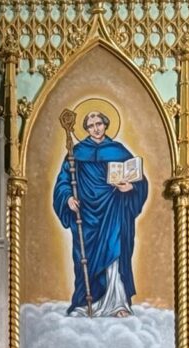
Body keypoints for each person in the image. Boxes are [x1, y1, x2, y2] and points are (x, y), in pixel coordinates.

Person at [53, 110, 148, 317]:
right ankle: (84, 303)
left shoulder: (118, 150)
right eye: (91, 125)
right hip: (86, 215)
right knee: (84, 259)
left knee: (115, 253)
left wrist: (130, 187)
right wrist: (68, 197)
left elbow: (140, 180)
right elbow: (63, 182)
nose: (95, 128)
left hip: (114, 209)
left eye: (99, 124)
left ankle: (117, 304)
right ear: (86, 129)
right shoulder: (76, 152)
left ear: (106, 125)